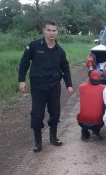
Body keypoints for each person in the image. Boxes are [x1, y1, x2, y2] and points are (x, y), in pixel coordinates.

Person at [18, 20, 74, 152]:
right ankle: (38, 141)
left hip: (54, 86)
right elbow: (24, 63)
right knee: (37, 115)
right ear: (43, 30)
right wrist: (22, 80)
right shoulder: (34, 46)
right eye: (49, 30)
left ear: (57, 32)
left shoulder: (60, 51)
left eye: (54, 30)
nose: (51, 33)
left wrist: (69, 84)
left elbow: (65, 68)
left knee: (55, 113)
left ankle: (53, 137)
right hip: (38, 86)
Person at [77, 70, 105, 141]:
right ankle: (95, 132)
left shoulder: (81, 87)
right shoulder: (103, 88)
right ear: (100, 79)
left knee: (85, 109)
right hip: (97, 123)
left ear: (89, 78)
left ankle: (84, 132)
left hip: (82, 122)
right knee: (103, 109)